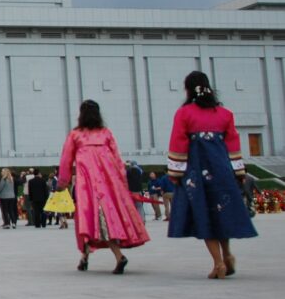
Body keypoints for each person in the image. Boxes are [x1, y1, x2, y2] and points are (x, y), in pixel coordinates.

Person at [167, 71, 257, 279]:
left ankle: (218, 264)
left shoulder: (185, 113)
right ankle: (227, 255)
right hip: (222, 170)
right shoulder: (225, 114)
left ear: (189, 89)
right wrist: (238, 171)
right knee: (220, 212)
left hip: (196, 171)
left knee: (204, 215)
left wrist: (175, 172)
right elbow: (233, 143)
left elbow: (179, 142)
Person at [58, 100, 149, 274]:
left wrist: (63, 183)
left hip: (87, 187)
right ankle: (86, 258)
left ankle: (115, 256)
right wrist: (122, 184)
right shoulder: (106, 134)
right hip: (109, 185)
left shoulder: (75, 135)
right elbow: (118, 161)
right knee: (108, 219)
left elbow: (66, 160)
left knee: (89, 220)